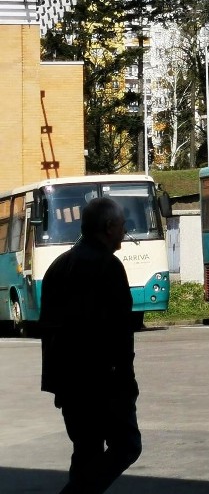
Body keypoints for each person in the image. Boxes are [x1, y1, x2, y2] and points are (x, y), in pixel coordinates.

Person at [40, 197, 142, 494]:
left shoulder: (58, 267)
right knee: (127, 445)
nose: (125, 231)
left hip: (69, 386)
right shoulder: (108, 267)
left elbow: (49, 333)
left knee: (86, 452)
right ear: (108, 227)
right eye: (123, 224)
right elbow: (120, 333)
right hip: (103, 383)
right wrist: (126, 380)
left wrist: (56, 384)